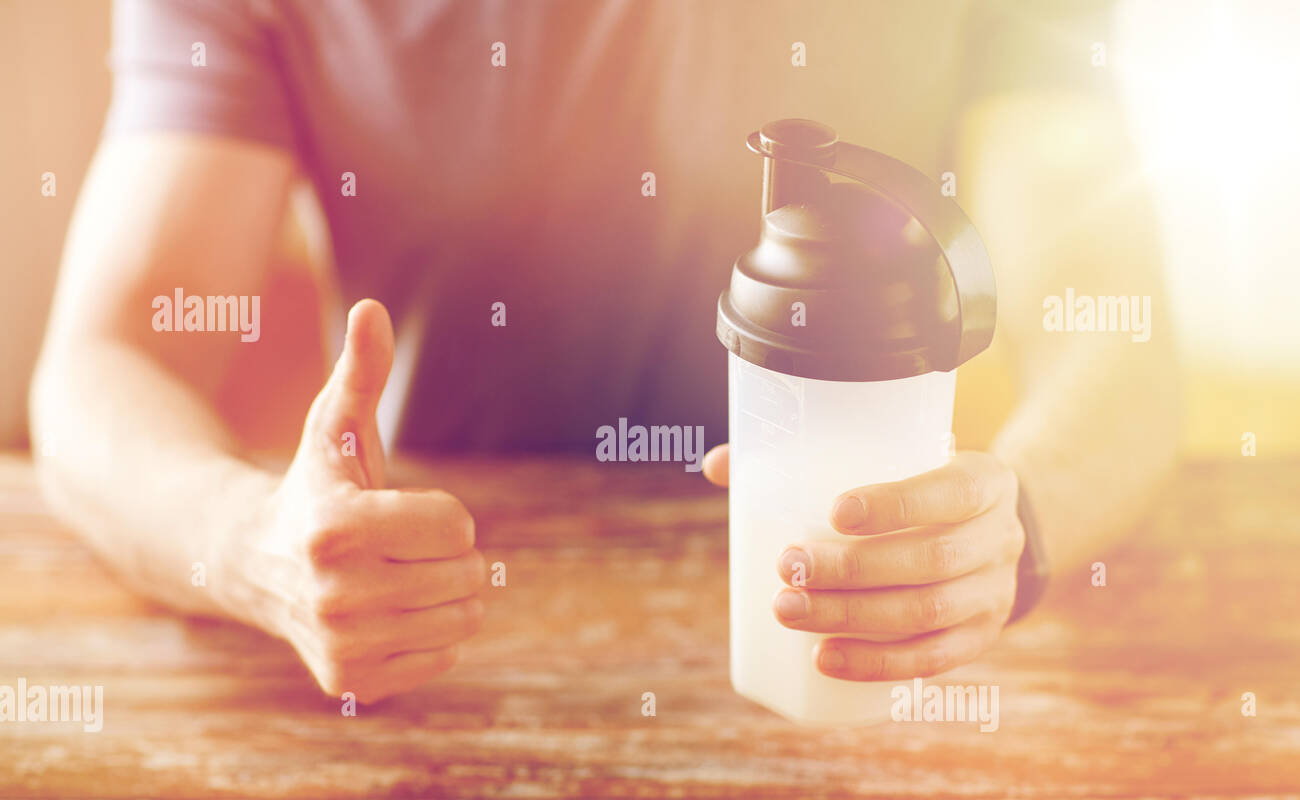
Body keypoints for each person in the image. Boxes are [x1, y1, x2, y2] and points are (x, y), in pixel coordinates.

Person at [30, 0, 1180, 702]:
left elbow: (1114, 336)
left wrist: (1017, 527)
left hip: (846, 649)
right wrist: (247, 545)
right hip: (439, 653)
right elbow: (107, 363)